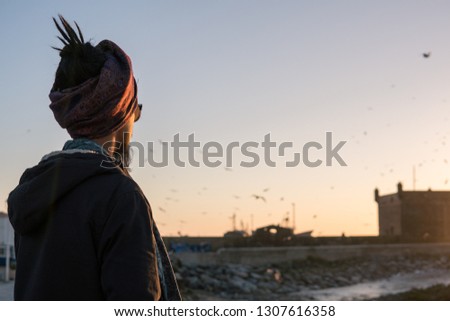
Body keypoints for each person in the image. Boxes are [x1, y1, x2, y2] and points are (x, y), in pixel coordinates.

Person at [7, 15, 181, 301]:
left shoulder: (33, 191)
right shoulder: (119, 196)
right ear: (121, 113)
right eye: (136, 109)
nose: (137, 117)